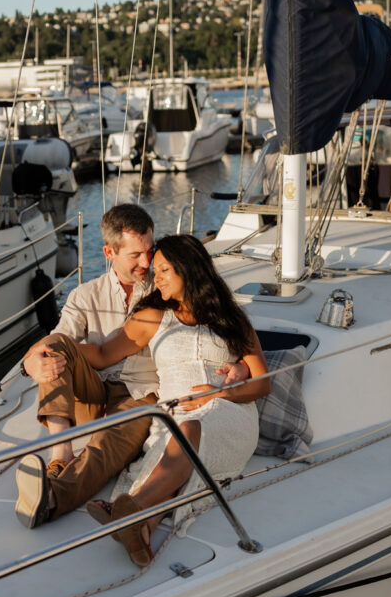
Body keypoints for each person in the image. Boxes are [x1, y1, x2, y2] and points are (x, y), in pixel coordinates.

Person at [15, 205, 249, 527]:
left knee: (106, 446)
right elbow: (57, 342)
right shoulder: (85, 296)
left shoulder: (165, 286)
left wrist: (242, 365)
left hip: (141, 394)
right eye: (135, 255)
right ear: (109, 252)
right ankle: (61, 455)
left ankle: (52, 499)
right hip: (91, 392)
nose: (147, 262)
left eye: (149, 251)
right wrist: (30, 362)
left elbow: (213, 324)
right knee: (53, 345)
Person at [81, 233, 270, 567]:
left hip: (230, 415)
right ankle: (142, 531)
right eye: (156, 271)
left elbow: (262, 384)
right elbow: (102, 355)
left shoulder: (232, 319)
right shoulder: (152, 316)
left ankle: (132, 508)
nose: (157, 278)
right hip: (174, 415)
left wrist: (218, 393)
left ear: (189, 269)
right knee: (182, 437)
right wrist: (51, 345)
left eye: (165, 270)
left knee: (191, 429)